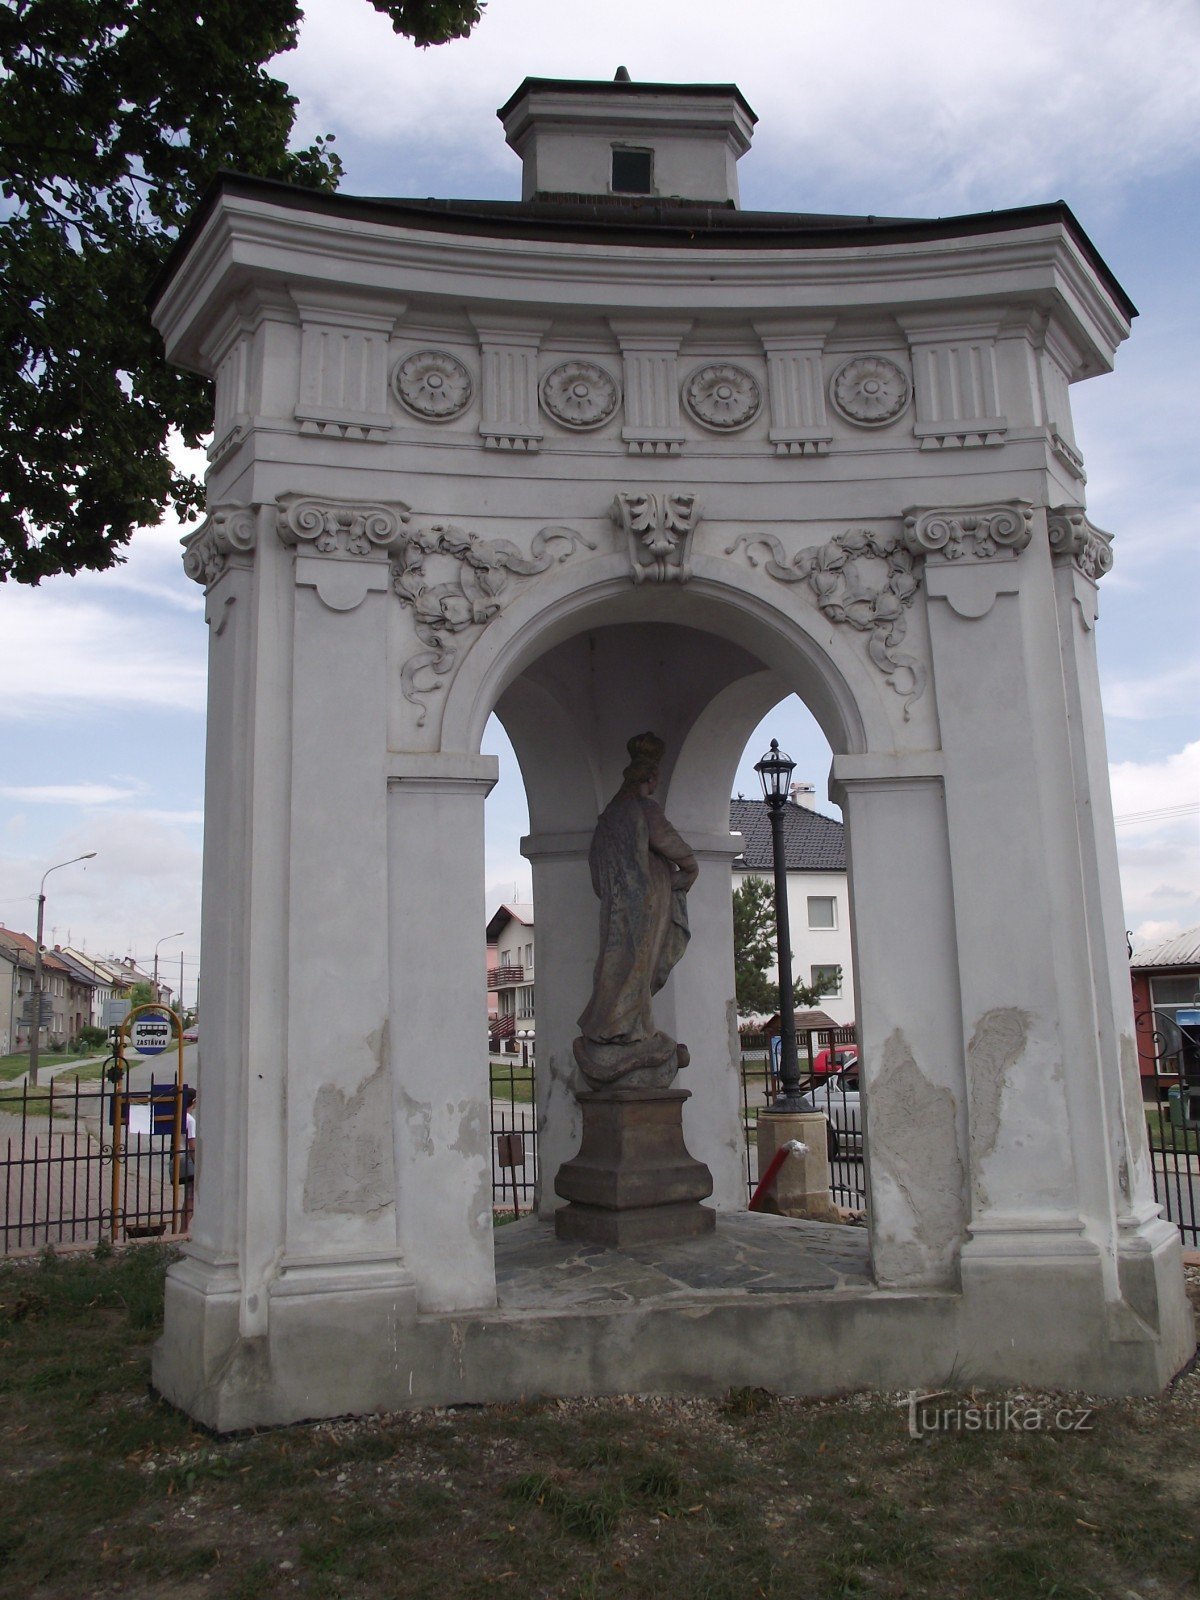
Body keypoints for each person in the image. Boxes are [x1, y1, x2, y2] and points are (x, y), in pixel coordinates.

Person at [574, 732, 699, 1087]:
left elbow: (596, 869)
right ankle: (626, 1029)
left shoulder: (609, 817)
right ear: (649, 778)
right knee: (639, 966)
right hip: (647, 901)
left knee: (615, 963)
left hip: (617, 904)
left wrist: (615, 892)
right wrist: (690, 868)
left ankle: (620, 1026)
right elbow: (670, 842)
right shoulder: (643, 808)